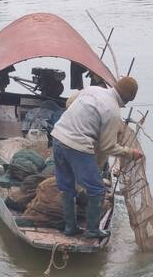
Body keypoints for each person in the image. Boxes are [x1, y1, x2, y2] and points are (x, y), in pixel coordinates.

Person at [51, 76, 144, 238]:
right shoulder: (113, 111)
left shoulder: (93, 89)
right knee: (97, 190)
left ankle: (70, 227)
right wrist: (130, 153)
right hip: (77, 146)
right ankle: (92, 230)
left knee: (66, 186)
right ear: (128, 99)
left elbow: (70, 102)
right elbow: (107, 147)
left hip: (58, 137)